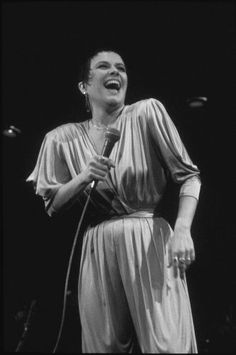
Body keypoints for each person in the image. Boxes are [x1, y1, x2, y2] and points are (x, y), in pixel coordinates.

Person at [27, 47, 201, 353]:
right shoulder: (60, 138)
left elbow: (189, 176)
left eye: (121, 68)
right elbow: (52, 206)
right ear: (84, 86)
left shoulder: (147, 112)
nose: (115, 72)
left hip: (148, 236)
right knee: (102, 347)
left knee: (168, 345)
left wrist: (183, 229)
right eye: (104, 67)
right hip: (98, 243)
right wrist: (82, 177)